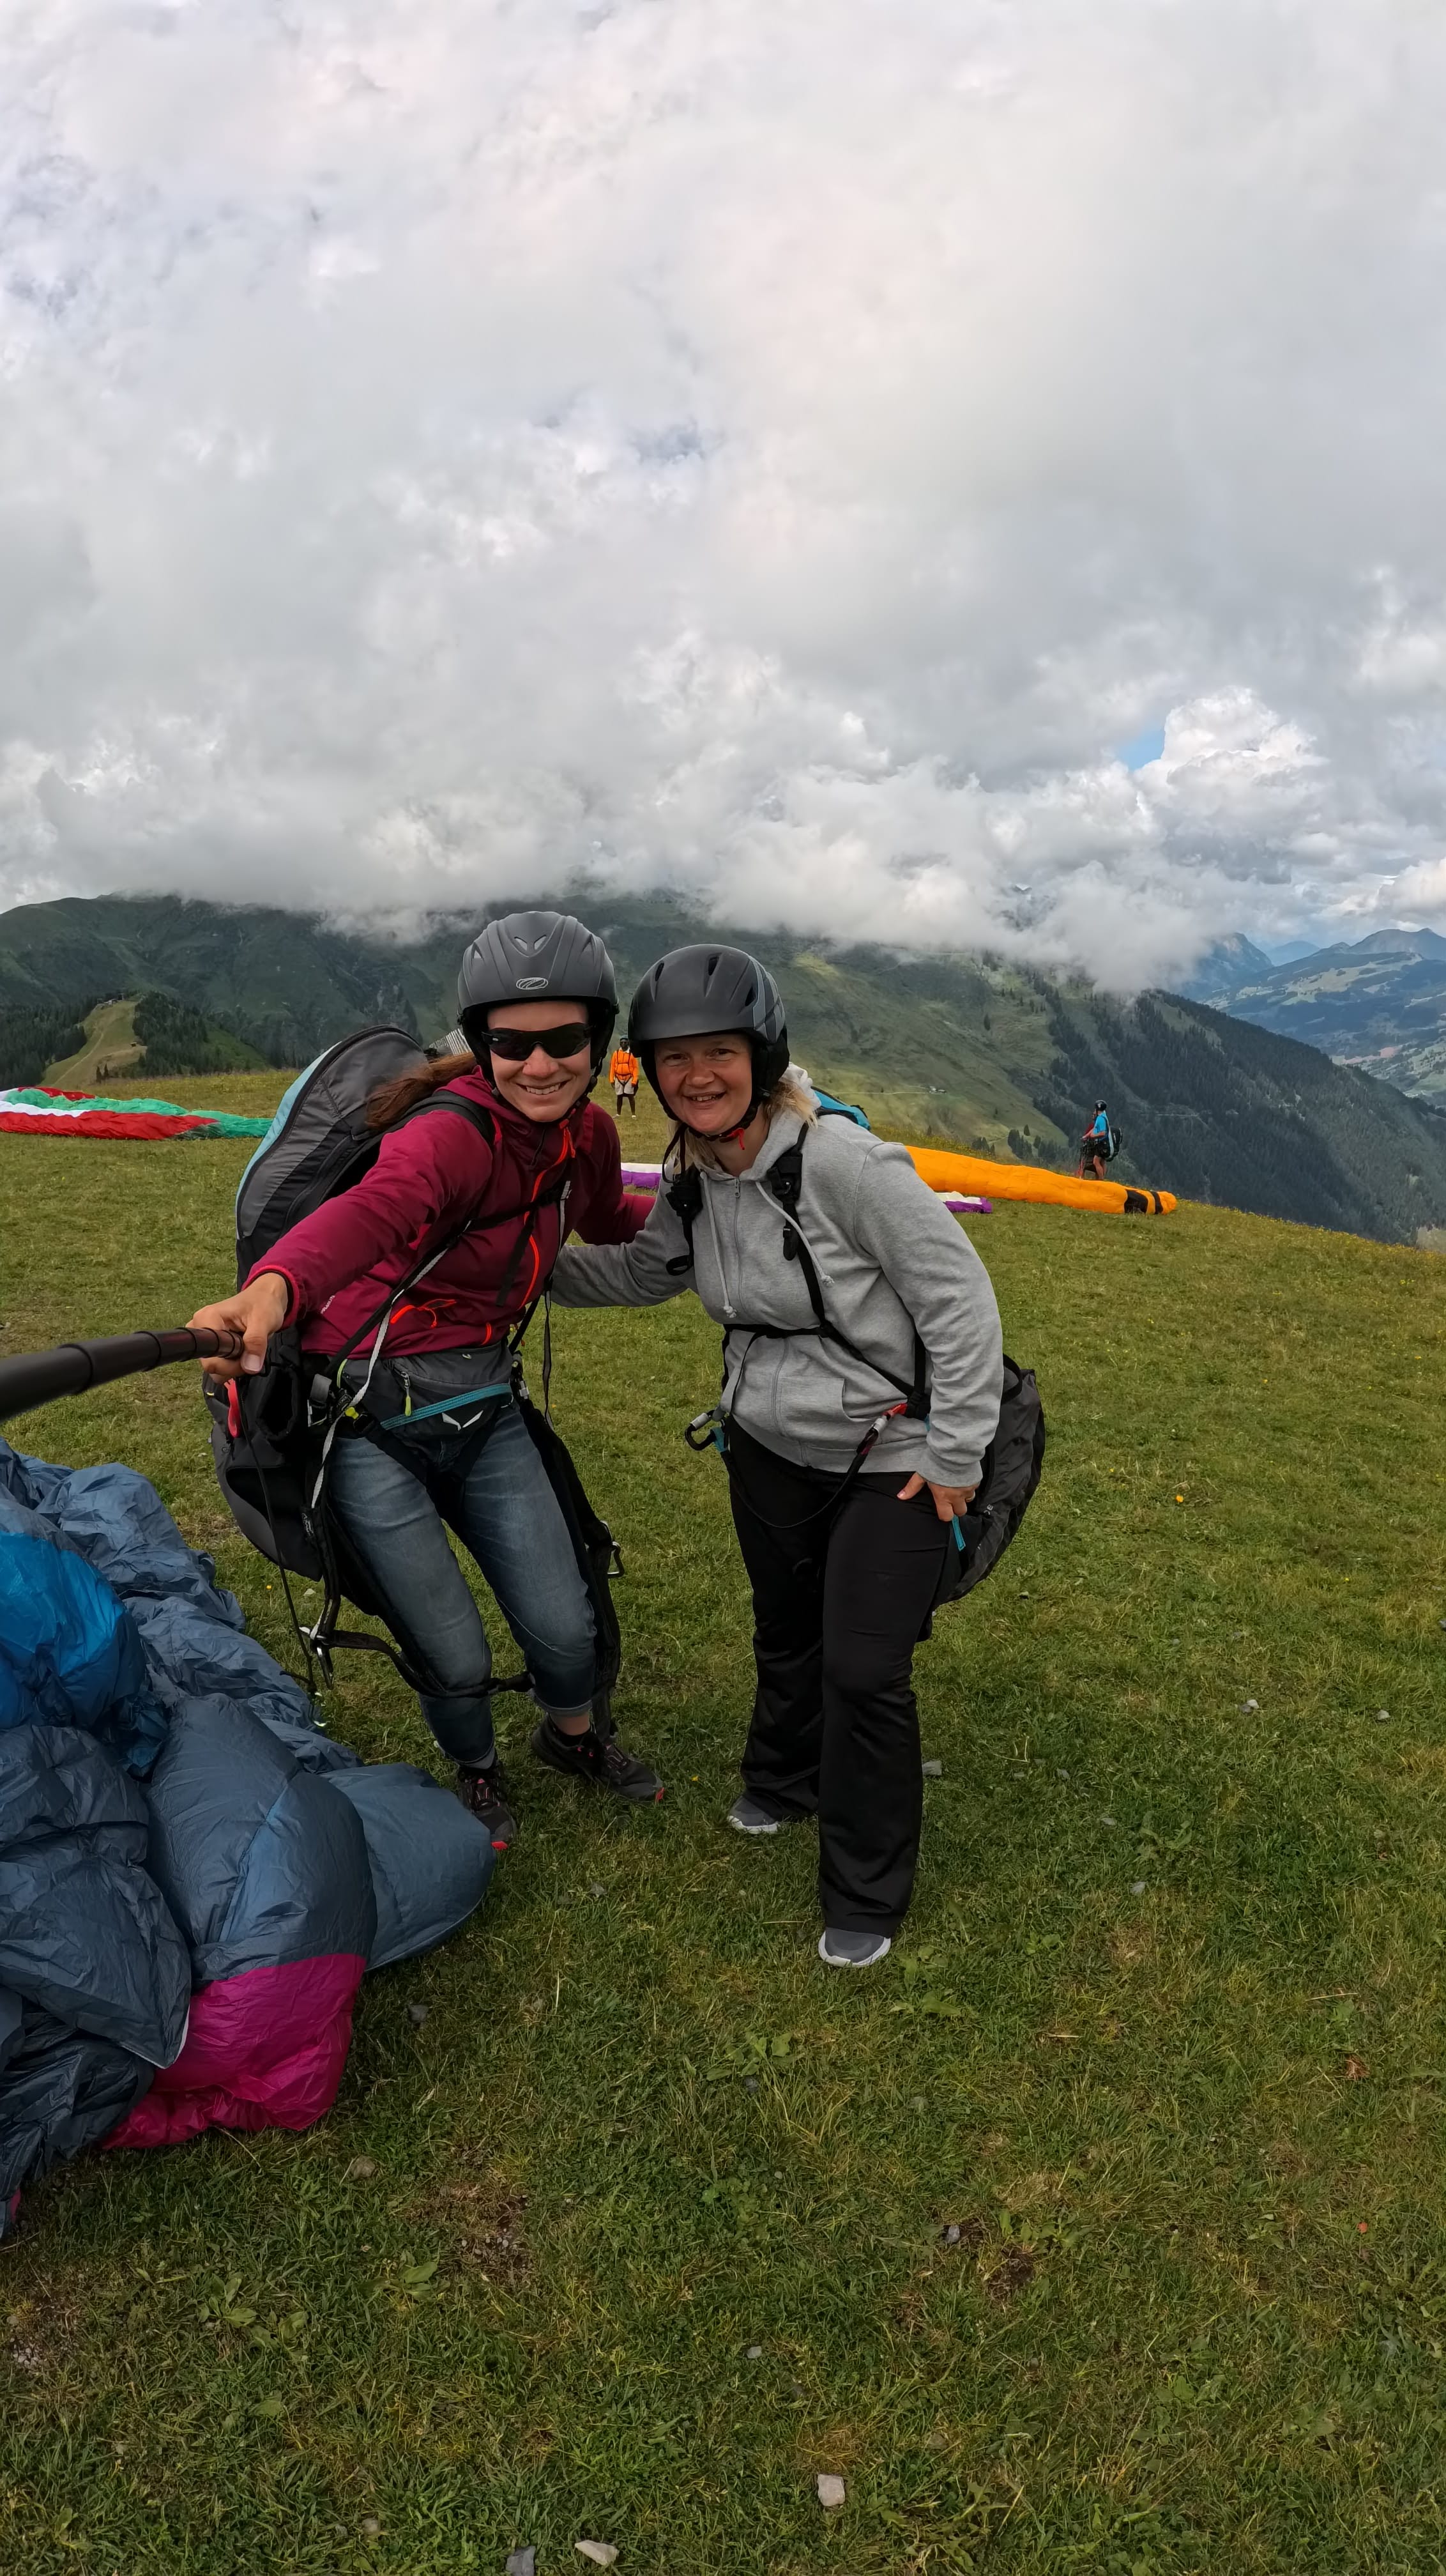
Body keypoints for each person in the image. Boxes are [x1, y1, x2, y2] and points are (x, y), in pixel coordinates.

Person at [551, 945, 1003, 1967]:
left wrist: (960, 1452)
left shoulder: (848, 1165)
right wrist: (516, 1271)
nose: (696, 1076)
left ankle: (866, 1889)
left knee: (864, 1666)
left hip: (895, 1450)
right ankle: (784, 1779)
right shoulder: (692, 1173)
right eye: (674, 1059)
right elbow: (644, 1271)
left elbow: (961, 1304)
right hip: (765, 1444)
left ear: (764, 1056)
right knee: (787, 1626)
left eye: (720, 1053)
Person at [187, 909, 664, 1850]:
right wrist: (277, 1285)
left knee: (565, 1626)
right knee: (450, 1646)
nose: (540, 1065)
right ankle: (477, 1772)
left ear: (598, 1042)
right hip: (366, 1423)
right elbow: (375, 1212)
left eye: (565, 1041)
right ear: (481, 1044)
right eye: (512, 1044)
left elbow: (609, 1219)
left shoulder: (589, 1139)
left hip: (483, 1406)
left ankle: (571, 1740)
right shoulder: (446, 1137)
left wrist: (714, 1204)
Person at [1079, 1102, 1113, 1180]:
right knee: (1102, 1162)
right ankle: (1101, 1179)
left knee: (1096, 1162)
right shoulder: (1104, 1115)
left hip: (1102, 1143)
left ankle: (1101, 1180)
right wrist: (1087, 1136)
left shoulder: (1100, 1119)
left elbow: (1103, 1132)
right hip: (1105, 1143)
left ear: (1098, 1109)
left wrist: (1093, 1136)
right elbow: (1094, 1129)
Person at [609, 1041, 641, 1116]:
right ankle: (618, 1114)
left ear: (628, 1044)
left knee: (630, 1095)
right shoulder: (616, 1053)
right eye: (622, 1042)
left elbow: (636, 1068)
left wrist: (635, 1080)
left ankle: (633, 1114)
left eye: (625, 1042)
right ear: (620, 1044)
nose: (623, 1044)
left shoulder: (632, 1054)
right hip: (618, 1077)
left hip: (629, 1077)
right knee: (619, 1096)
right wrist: (611, 1079)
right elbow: (613, 1067)